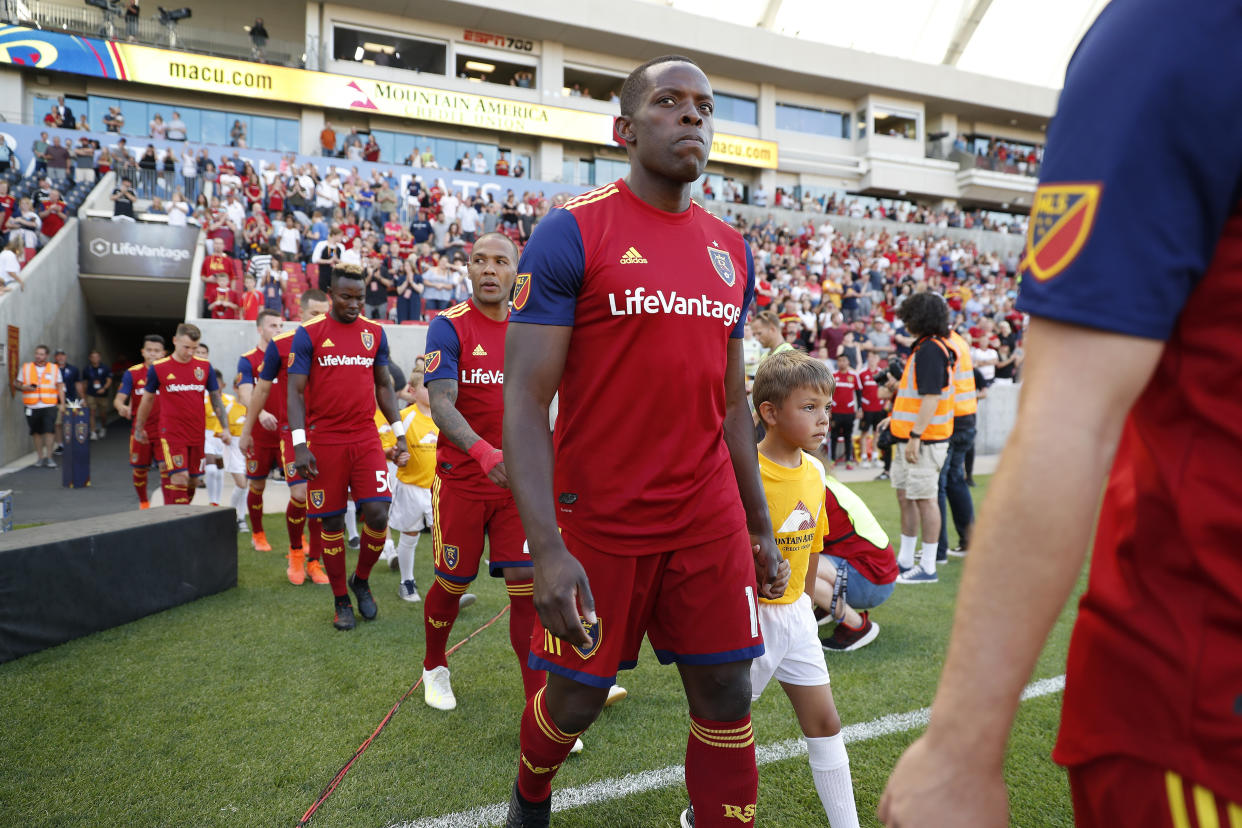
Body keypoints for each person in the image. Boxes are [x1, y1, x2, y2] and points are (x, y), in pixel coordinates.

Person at [880, 3, 1242, 825]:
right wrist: (963, 749)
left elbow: (1059, 419)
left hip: (938, 439)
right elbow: (1068, 416)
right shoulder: (1185, 28)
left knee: (938, 495)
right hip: (1208, 704)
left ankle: (928, 558)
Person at [502, 55, 787, 827]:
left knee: (728, 689)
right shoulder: (571, 232)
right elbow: (525, 402)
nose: (692, 116)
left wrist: (758, 525)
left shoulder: (732, 249)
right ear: (624, 130)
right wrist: (547, 548)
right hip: (600, 518)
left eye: (703, 105)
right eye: (669, 102)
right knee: (576, 698)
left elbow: (731, 403)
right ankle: (530, 797)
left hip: (707, 515)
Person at [732, 348, 860, 827]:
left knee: (825, 723)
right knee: (725, 725)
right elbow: (723, 550)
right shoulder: (744, 473)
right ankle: (705, 810)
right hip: (748, 619)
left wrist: (805, 603)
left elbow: (813, 544)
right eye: (809, 408)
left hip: (796, 618)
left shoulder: (815, 470)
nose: (824, 419)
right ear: (769, 413)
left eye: (826, 407)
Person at [419, 233, 545, 710]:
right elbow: (441, 402)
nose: (489, 269)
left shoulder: (534, 327)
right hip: (463, 481)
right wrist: (483, 453)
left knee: (526, 590)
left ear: (517, 271)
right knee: (452, 584)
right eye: (479, 261)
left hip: (518, 485)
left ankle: (538, 701)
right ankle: (435, 665)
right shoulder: (448, 326)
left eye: (500, 261)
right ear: (467, 270)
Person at [288, 267, 408, 630]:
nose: (354, 304)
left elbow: (384, 387)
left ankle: (362, 580)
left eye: (359, 297)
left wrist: (398, 430)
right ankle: (341, 598)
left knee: (377, 514)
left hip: (365, 436)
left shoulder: (375, 333)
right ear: (330, 294)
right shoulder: (309, 333)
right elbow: (294, 392)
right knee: (332, 521)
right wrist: (299, 444)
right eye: (346, 297)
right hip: (325, 440)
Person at [241, 290, 333, 585]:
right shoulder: (281, 345)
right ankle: (296, 552)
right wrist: (247, 429)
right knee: (300, 494)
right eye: (313, 313)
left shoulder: (337, 342)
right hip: (292, 430)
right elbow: (262, 390)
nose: (319, 319)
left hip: (328, 430)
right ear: (300, 312)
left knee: (322, 500)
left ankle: (315, 561)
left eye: (324, 313)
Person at [884, 292, 954, 585]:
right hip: (910, 438)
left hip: (923, 441)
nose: (905, 323)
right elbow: (915, 396)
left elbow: (930, 397)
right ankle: (906, 559)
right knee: (906, 496)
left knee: (925, 499)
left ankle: (927, 565)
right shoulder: (925, 347)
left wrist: (915, 435)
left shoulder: (930, 350)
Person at [134, 324, 228, 506]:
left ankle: (176, 514)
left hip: (197, 433)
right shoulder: (159, 368)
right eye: (186, 347)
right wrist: (139, 427)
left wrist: (225, 427)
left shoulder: (204, 367)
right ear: (175, 341)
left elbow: (216, 398)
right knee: (180, 477)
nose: (190, 352)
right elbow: (147, 400)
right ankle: (181, 524)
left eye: (194, 348)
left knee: (193, 481)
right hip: (172, 433)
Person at [813, 476, 893, 651]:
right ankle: (827, 606)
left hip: (871, 581)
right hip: (876, 570)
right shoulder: (823, 478)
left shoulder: (812, 485)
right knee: (797, 560)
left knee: (797, 568)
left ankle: (857, 626)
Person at [234, 310, 285, 553]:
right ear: (260, 329)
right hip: (260, 435)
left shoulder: (288, 356)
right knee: (258, 485)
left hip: (286, 432)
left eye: (281, 325)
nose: (278, 330)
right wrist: (262, 413)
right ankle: (258, 533)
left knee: (301, 488)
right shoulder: (249, 359)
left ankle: (301, 540)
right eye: (273, 325)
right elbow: (244, 393)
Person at [388, 362, 437, 602]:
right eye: (426, 387)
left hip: (438, 489)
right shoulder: (404, 418)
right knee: (410, 535)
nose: (432, 391)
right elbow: (388, 447)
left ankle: (448, 585)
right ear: (413, 391)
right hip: (411, 487)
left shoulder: (444, 416)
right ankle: (406, 582)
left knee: (444, 538)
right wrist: (397, 456)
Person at [936, 329, 977, 561]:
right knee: (955, 480)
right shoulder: (959, 340)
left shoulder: (943, 344)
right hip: (967, 417)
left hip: (950, 420)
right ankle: (968, 540)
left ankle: (938, 549)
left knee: (940, 484)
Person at [115, 335, 166, 508]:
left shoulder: (168, 372)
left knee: (166, 468)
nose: (153, 354)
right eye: (149, 350)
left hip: (164, 429)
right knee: (140, 469)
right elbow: (119, 398)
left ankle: (169, 505)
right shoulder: (133, 373)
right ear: (143, 352)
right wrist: (121, 406)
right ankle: (144, 502)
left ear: (163, 353)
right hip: (140, 430)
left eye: (157, 351)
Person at [13, 344, 64, 468]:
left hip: (49, 405)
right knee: (36, 432)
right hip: (32, 406)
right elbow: (16, 384)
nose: (38, 356)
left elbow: (60, 386)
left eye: (41, 354)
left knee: (49, 431)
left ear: (46, 356)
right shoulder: (26, 367)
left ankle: (50, 458)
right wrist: (23, 387)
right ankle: (40, 457)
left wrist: (62, 403)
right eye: (37, 353)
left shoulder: (54, 368)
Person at [856, 352, 887, 468]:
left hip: (879, 408)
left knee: (877, 432)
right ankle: (864, 457)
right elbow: (859, 393)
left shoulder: (882, 373)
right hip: (866, 408)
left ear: (878, 359)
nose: (872, 359)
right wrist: (860, 408)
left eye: (875, 357)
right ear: (867, 359)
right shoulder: (862, 373)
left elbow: (885, 389)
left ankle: (875, 456)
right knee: (864, 432)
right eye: (870, 357)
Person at [829, 354, 860, 468]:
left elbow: (858, 393)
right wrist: (828, 409)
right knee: (834, 436)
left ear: (848, 362)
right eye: (840, 360)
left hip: (849, 412)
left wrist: (859, 409)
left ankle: (848, 460)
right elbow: (828, 394)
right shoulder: (833, 376)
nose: (842, 362)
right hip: (836, 412)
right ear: (837, 362)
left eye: (844, 360)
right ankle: (832, 460)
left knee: (848, 436)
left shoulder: (853, 376)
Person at [52, 349, 83, 455]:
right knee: (58, 423)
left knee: (74, 422)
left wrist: (82, 398)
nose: (60, 358)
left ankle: (74, 443)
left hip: (72, 399)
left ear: (66, 357)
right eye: (58, 356)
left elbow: (78, 384)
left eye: (62, 355)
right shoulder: (51, 369)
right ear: (55, 357)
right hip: (57, 401)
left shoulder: (73, 369)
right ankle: (60, 444)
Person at [83, 349, 113, 439]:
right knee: (91, 412)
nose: (95, 359)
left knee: (103, 413)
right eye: (93, 357)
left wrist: (104, 388)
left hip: (102, 394)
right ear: (90, 358)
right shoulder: (87, 369)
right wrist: (84, 396)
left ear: (99, 358)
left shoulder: (105, 368)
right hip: (91, 393)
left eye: (97, 357)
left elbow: (109, 380)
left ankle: (103, 427)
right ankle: (93, 431)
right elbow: (85, 382)